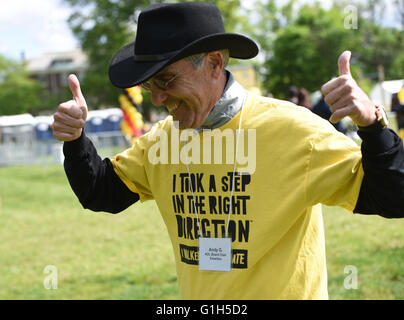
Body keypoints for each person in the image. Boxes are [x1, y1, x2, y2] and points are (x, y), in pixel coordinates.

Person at [52, 2, 404, 300]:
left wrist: (372, 125)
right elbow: (100, 191)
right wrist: (75, 139)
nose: (156, 99)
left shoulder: (295, 132)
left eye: (165, 80)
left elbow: (394, 197)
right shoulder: (162, 140)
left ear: (215, 64)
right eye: (148, 84)